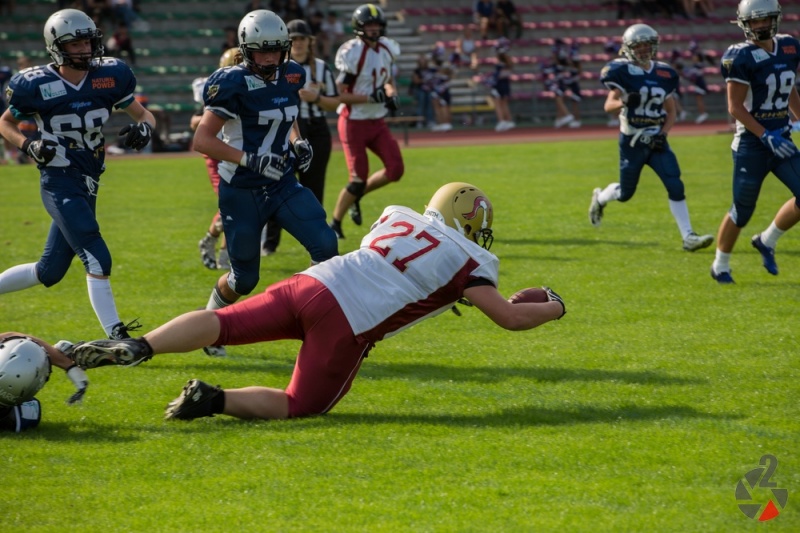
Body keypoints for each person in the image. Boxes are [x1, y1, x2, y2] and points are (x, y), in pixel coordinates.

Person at [67, 182, 567, 422]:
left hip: (313, 282)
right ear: (470, 221)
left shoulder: (397, 215)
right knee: (300, 404)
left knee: (223, 325)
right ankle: (214, 399)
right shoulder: (469, 258)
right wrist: (553, 306)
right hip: (348, 323)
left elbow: (402, 262)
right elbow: (507, 316)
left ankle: (141, 345)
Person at [0, 9, 156, 340]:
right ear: (57, 47)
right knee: (97, 256)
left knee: (50, 271)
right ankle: (118, 338)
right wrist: (29, 145)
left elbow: (144, 114)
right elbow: (5, 123)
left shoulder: (110, 75)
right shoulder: (36, 84)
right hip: (59, 179)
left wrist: (144, 129)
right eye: (76, 43)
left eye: (88, 41)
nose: (85, 49)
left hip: (89, 179)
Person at [191, 9, 338, 356]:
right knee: (244, 278)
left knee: (326, 244)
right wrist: (249, 159)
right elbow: (202, 140)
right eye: (262, 50)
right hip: (242, 189)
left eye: (276, 49)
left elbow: (286, 116)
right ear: (245, 49)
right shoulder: (231, 83)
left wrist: (297, 142)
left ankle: (310, 315)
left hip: (281, 182)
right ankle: (210, 325)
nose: (270, 57)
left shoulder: (292, 74)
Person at [589, 23, 714, 252]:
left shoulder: (664, 73)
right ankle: (601, 197)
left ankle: (688, 236)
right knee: (626, 194)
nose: (644, 50)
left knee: (675, 184)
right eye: (639, 46)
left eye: (648, 45)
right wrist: (625, 101)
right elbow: (609, 105)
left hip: (656, 139)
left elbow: (672, 111)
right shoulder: (622, 71)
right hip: (633, 142)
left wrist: (663, 134)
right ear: (628, 48)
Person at [711, 0, 800, 283]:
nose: (761, 26)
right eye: (755, 21)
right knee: (742, 210)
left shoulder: (788, 46)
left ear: (776, 18)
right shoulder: (739, 56)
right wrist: (764, 135)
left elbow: (789, 89)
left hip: (782, 140)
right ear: (743, 24)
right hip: (752, 144)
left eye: (766, 20)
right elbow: (735, 107)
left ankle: (767, 240)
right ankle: (720, 265)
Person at [262, 19, 340, 256]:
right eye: (293, 39)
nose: (298, 43)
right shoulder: (277, 66)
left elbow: (335, 102)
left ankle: (317, 242)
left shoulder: (321, 67)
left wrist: (315, 98)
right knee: (277, 184)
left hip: (316, 129)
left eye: (302, 39)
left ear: (310, 42)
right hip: (284, 130)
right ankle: (270, 243)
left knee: (314, 188)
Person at [328, 4, 404, 240]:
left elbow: (388, 79)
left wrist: (390, 94)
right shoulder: (353, 53)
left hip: (377, 121)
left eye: (376, 25)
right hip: (354, 122)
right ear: (359, 28)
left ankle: (357, 197)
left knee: (396, 169)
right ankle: (335, 223)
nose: (373, 29)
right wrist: (370, 97)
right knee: (358, 177)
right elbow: (337, 94)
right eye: (369, 25)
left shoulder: (386, 49)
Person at [194, 47, 243, 271]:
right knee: (230, 205)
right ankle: (212, 242)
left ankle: (223, 251)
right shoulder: (217, 86)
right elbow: (196, 122)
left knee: (241, 204)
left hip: (239, 150)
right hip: (217, 152)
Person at [0, 333, 90, 433]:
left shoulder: (20, 417)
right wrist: (68, 364)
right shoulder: (24, 416)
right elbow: (15, 338)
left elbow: (11, 337)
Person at [488, 37, 515, 132]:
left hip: (499, 84)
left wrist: (492, 79)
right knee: (504, 103)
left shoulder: (500, 60)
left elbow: (500, 75)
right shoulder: (508, 60)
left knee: (498, 103)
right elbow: (509, 72)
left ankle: (501, 121)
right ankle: (508, 120)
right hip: (506, 83)